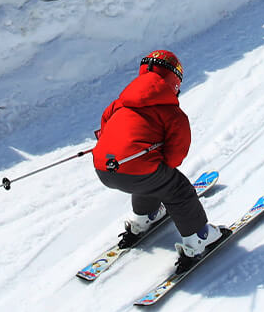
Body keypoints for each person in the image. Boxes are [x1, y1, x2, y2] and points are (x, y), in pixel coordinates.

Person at [93, 50, 226, 266]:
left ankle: (146, 216)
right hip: (136, 169)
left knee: (148, 175)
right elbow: (175, 157)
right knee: (177, 188)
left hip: (103, 168)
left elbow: (104, 130)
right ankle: (198, 237)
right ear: (174, 80)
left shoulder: (119, 104)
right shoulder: (171, 113)